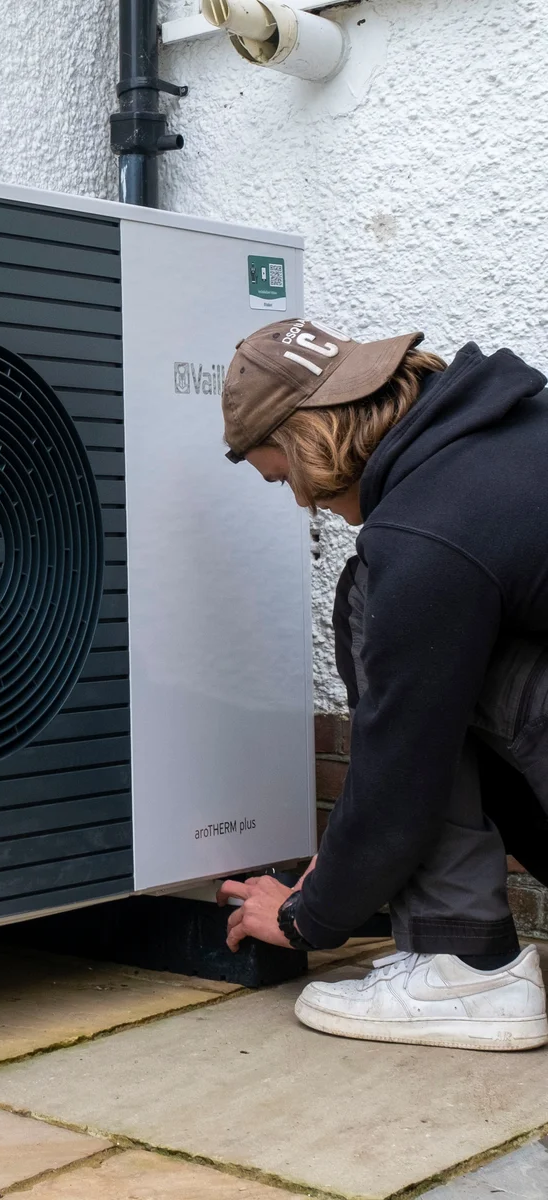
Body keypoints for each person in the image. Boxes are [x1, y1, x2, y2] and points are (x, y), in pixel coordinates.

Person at [215, 317, 548, 1051]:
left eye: (285, 478)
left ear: (307, 443)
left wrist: (311, 915)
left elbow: (403, 758)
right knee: (436, 651)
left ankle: (466, 967)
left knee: (377, 603)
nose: (307, 503)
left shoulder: (429, 533)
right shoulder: (510, 441)